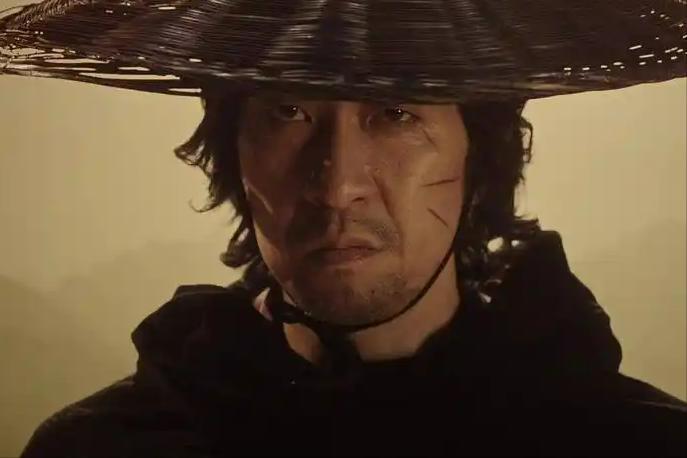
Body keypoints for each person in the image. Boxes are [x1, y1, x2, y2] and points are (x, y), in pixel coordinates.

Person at [2, 0, 685, 456]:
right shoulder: (110, 446)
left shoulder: (632, 443)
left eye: (395, 114)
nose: (335, 186)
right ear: (233, 157)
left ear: (478, 157)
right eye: (288, 114)